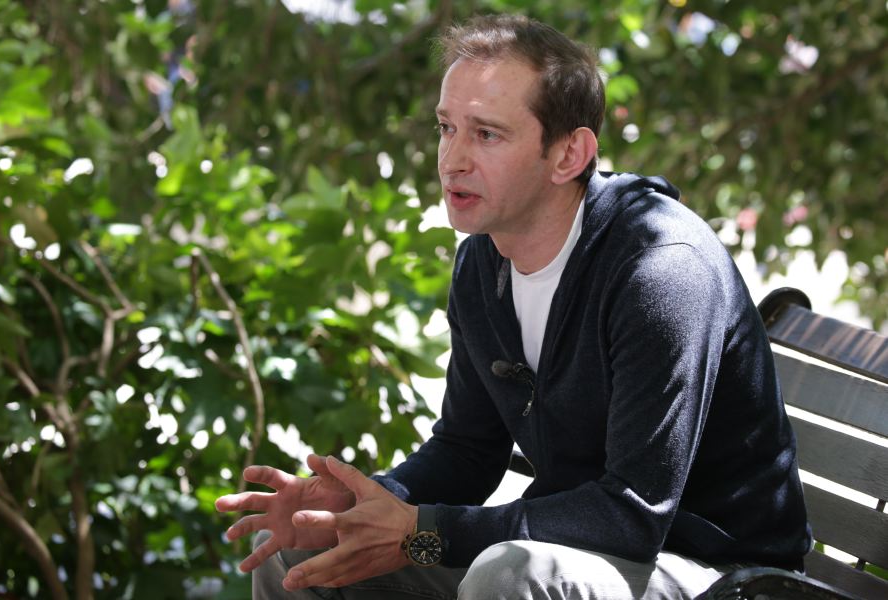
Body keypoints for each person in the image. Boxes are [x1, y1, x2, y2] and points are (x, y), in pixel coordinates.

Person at [215, 14, 812, 599]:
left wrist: (420, 533)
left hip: (720, 573)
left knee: (507, 574)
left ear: (569, 154)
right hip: (580, 549)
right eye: (446, 128)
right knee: (303, 551)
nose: (452, 159)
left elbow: (632, 515)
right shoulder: (483, 261)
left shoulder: (659, 268)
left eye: (487, 134)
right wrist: (368, 503)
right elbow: (468, 450)